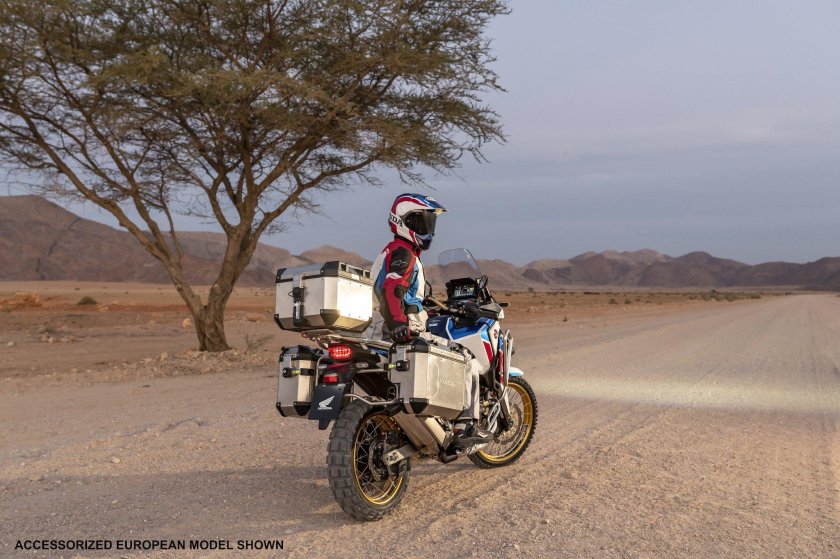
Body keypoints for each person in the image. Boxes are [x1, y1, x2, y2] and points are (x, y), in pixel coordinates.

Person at [370, 193, 492, 449]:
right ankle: (464, 427)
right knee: (465, 360)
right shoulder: (404, 254)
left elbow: (406, 298)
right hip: (400, 330)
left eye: (430, 224)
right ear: (403, 222)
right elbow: (391, 290)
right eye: (422, 223)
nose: (428, 230)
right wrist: (399, 325)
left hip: (379, 329)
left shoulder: (390, 252)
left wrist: (436, 311)